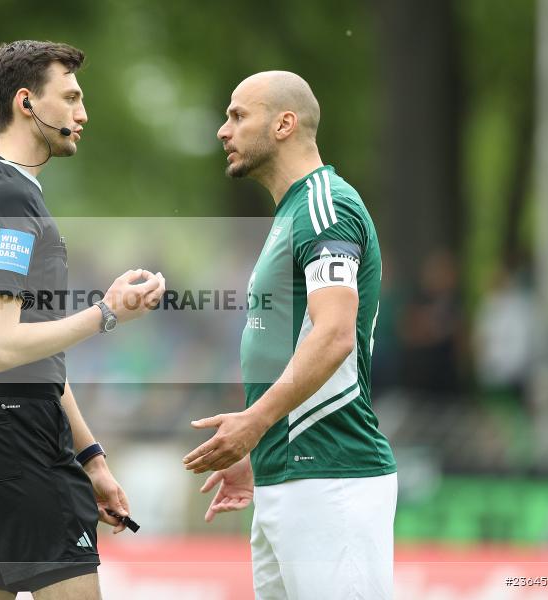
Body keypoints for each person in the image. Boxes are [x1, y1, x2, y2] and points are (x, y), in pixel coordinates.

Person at [0, 40, 166, 599]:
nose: (82, 114)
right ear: (26, 102)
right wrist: (106, 315)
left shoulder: (5, 190)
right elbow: (0, 346)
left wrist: (91, 458)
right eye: (69, 98)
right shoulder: (6, 199)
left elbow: (31, 353)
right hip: (15, 431)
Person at [183, 71, 397, 600]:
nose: (222, 131)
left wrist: (253, 424)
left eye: (237, 116)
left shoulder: (326, 206)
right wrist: (262, 450)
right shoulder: (292, 213)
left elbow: (334, 336)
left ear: (284, 124)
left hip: (331, 479)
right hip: (288, 475)